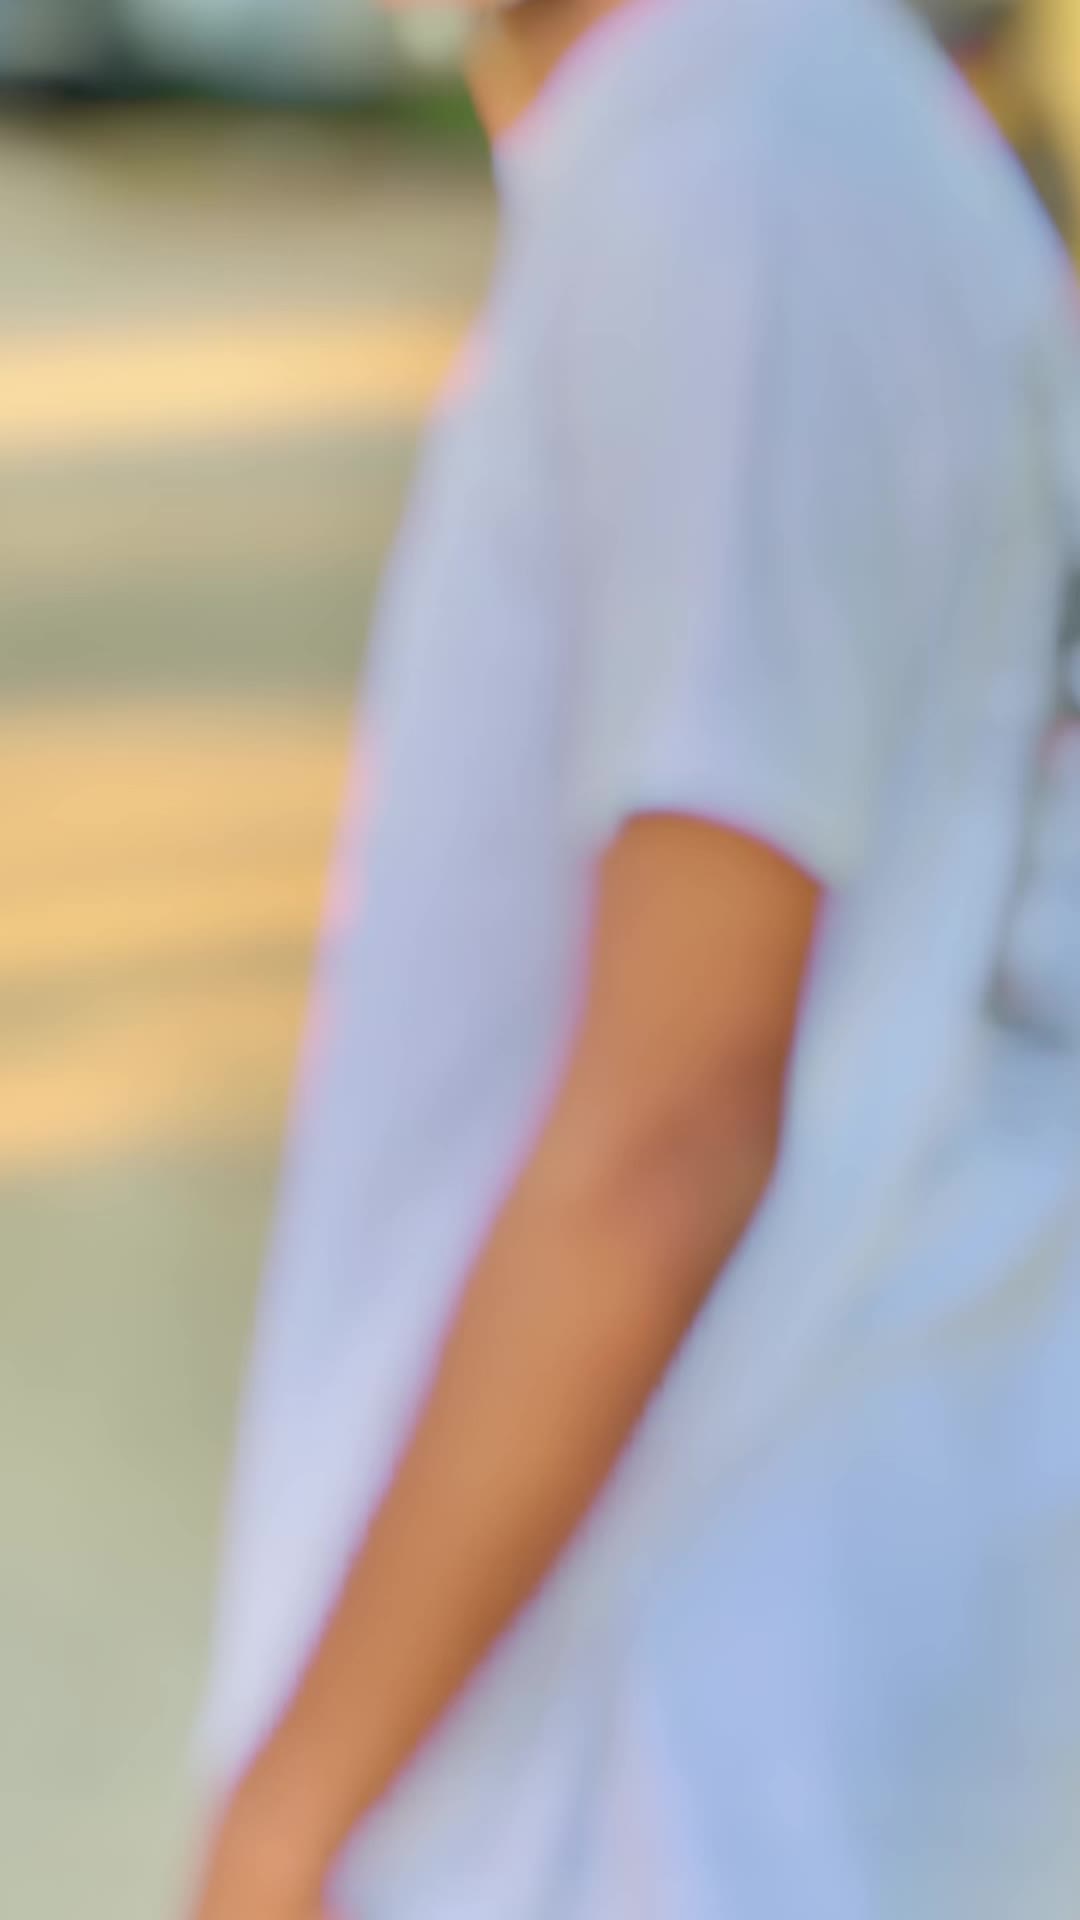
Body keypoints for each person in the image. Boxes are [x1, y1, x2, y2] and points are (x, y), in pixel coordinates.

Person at [191, 0, 1080, 1915]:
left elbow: (674, 1128)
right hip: (725, 1704)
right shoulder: (786, 135)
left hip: (662, 1743)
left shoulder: (745, 163)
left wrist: (288, 1820)